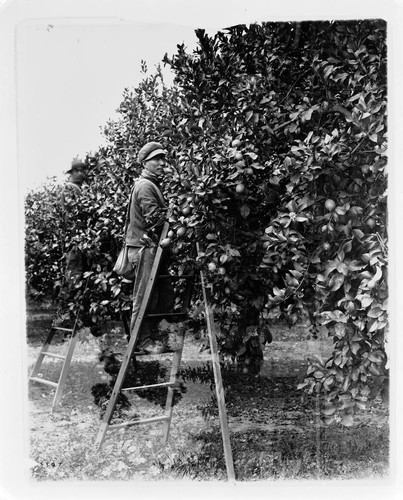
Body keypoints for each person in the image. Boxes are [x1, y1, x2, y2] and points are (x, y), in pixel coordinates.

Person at [124, 141, 176, 354]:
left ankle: (153, 338)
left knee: (163, 297)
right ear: (145, 163)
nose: (162, 163)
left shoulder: (152, 184)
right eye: (157, 159)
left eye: (163, 158)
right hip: (144, 249)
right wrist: (175, 213)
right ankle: (140, 341)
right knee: (144, 296)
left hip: (154, 248)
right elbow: (154, 218)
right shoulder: (145, 186)